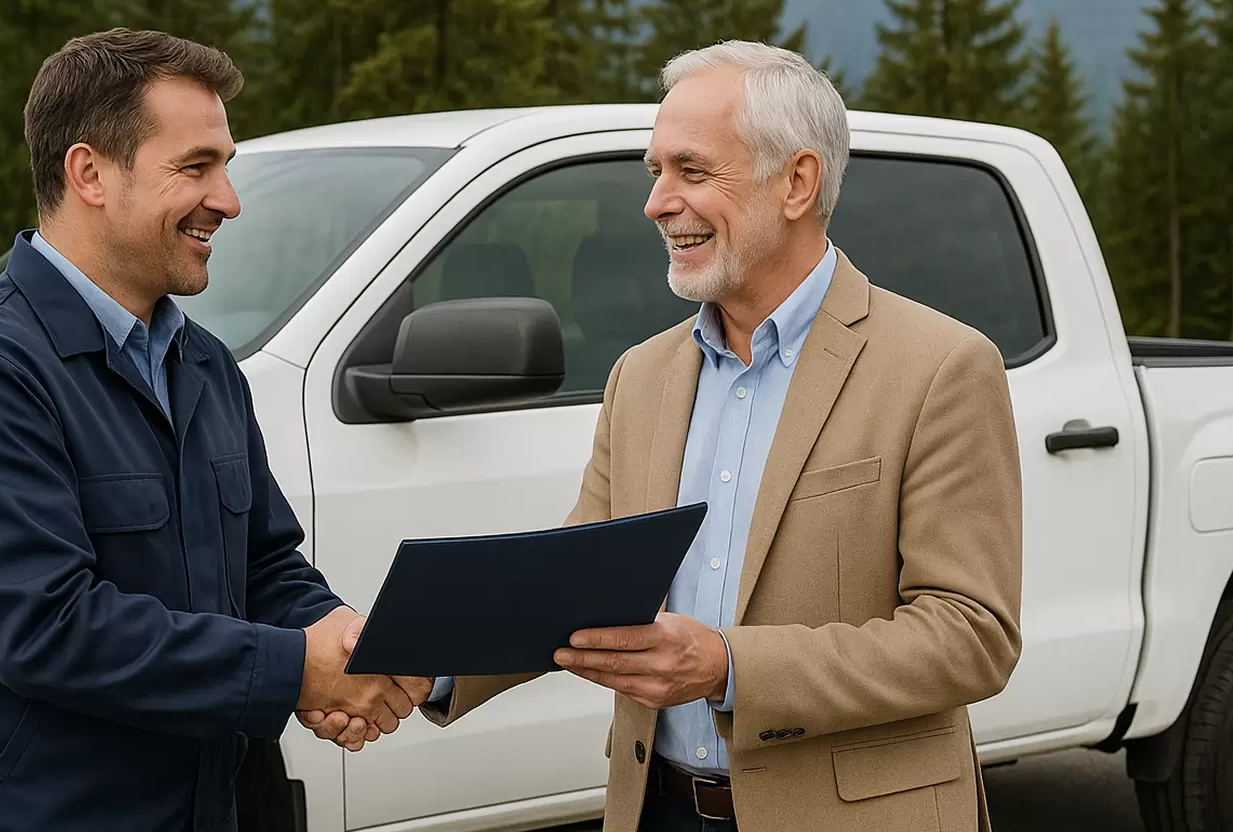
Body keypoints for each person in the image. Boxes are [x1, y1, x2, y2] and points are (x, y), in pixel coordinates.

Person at [301, 40, 1024, 830]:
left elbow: (971, 634)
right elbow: (570, 587)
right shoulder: (641, 377)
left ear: (797, 181)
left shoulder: (941, 367)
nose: (657, 202)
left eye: (692, 169)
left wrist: (728, 666)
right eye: (655, 172)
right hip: (656, 808)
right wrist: (419, 666)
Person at [0, 28, 429, 832]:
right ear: (89, 173)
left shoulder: (201, 365)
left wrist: (341, 637)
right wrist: (296, 671)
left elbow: (264, 565)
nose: (229, 199)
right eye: (196, 167)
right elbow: (46, 628)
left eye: (226, 167)